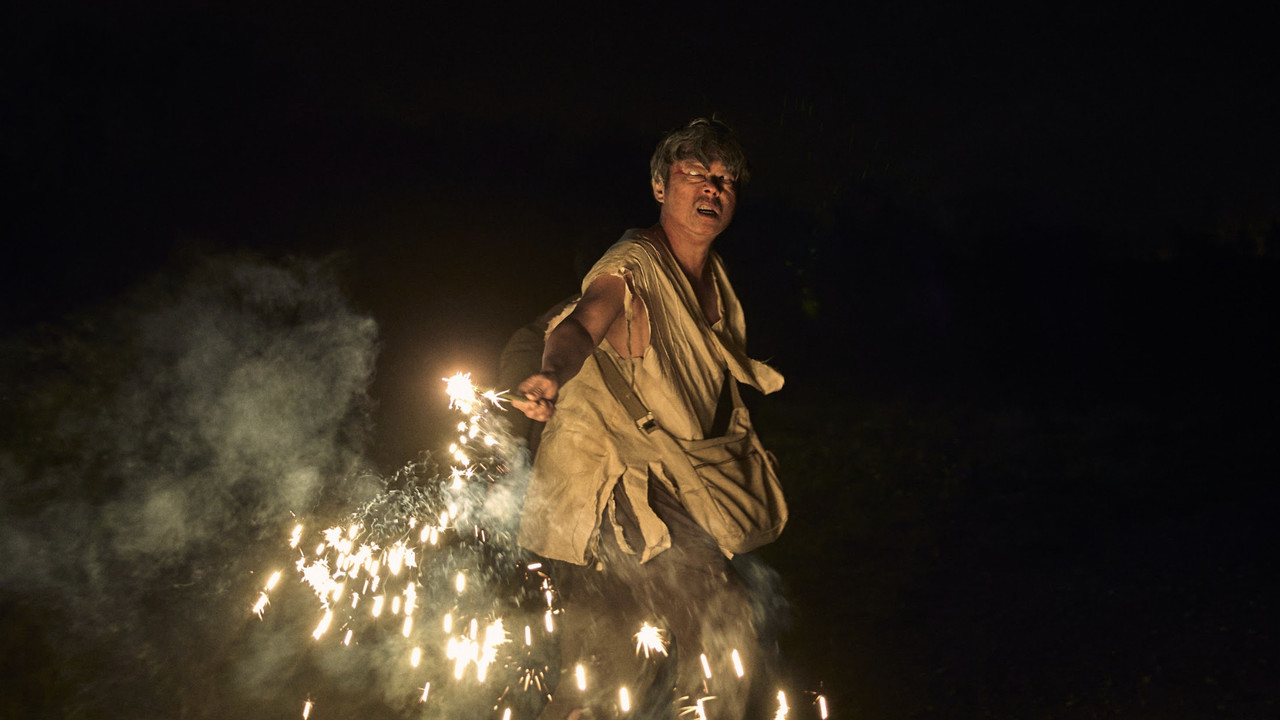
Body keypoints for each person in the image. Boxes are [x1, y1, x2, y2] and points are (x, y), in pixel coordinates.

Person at [512, 118, 785, 720]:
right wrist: (552, 374)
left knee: (626, 657)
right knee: (706, 629)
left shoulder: (714, 277)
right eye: (696, 175)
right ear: (661, 186)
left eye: (725, 180)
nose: (712, 189)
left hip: (665, 486)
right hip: (609, 493)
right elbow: (585, 321)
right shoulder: (631, 262)